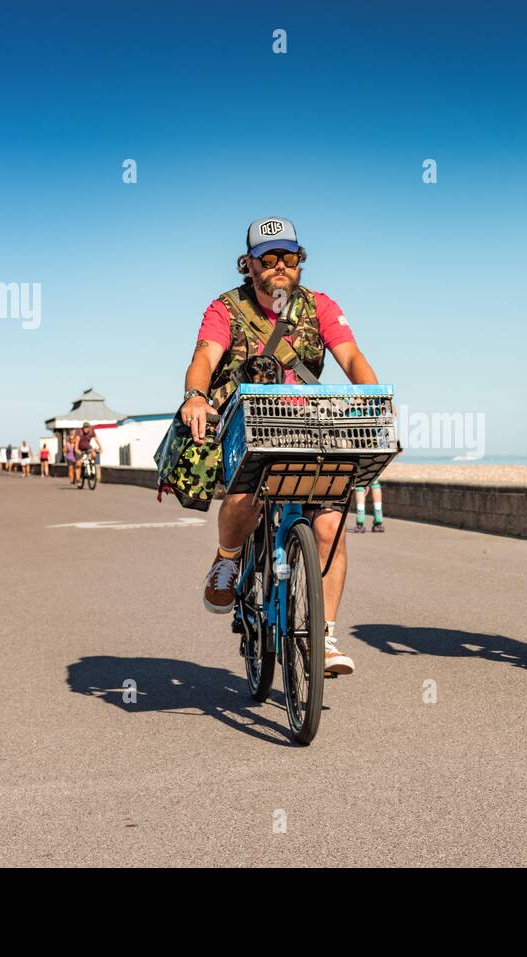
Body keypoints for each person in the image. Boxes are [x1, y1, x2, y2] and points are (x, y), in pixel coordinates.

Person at [180, 217, 377, 676]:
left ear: (299, 260)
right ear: (249, 265)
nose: (279, 266)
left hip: (310, 425)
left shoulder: (320, 306)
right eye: (268, 259)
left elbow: (351, 358)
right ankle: (228, 558)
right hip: (247, 423)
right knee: (246, 494)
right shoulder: (226, 309)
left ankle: (323, 636)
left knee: (329, 522)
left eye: (288, 257)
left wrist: (374, 402)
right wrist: (195, 396)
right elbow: (205, 358)